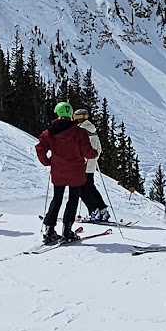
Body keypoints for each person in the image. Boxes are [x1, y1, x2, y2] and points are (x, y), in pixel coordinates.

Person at [34, 102, 97, 244]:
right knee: (73, 199)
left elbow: (40, 148)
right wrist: (94, 154)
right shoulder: (79, 132)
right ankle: (67, 231)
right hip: (76, 171)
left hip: (58, 170)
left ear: (57, 112)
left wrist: (47, 162)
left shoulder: (49, 132)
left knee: (57, 199)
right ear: (71, 114)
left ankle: (49, 230)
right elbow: (87, 151)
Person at [73, 106, 110, 223]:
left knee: (81, 190)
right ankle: (103, 210)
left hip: (81, 165)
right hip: (91, 165)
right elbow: (99, 148)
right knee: (91, 187)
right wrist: (93, 159)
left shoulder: (79, 130)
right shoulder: (92, 130)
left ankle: (93, 211)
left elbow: (79, 147)